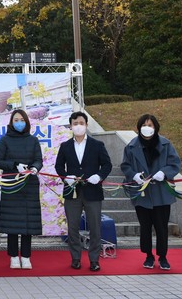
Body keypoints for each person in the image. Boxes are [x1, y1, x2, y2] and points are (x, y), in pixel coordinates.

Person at [120, 114, 181, 271]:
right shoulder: (131, 146)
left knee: (161, 227)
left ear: (156, 127)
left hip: (161, 193)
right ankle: (148, 255)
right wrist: (133, 175)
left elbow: (175, 163)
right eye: (144, 125)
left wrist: (164, 172)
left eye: (151, 125)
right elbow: (125, 165)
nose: (147, 128)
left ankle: (163, 256)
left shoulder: (166, 144)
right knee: (145, 226)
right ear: (139, 127)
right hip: (142, 193)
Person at [55, 111, 112, 272]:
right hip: (72, 192)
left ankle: (94, 260)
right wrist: (66, 177)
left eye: (81, 123)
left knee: (95, 226)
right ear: (71, 126)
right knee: (72, 226)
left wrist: (99, 176)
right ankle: (76, 258)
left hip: (93, 191)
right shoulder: (65, 146)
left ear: (86, 125)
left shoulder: (97, 145)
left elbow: (106, 165)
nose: (78, 126)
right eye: (75, 123)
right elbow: (59, 166)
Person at [0, 109, 43, 270]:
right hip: (12, 185)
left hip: (29, 184)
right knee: (12, 223)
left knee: (28, 223)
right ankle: (14, 257)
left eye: (22, 119)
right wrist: (15, 165)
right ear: (11, 122)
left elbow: (38, 160)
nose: (19, 122)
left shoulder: (33, 140)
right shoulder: (5, 140)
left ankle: (27, 256)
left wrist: (35, 168)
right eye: (16, 120)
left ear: (27, 122)